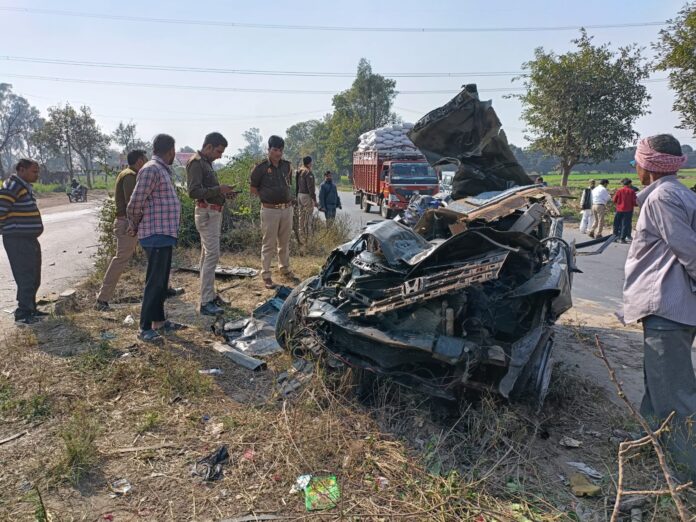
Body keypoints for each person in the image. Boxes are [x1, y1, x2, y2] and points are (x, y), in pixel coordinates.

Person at [622, 134, 696, 481]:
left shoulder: (662, 198)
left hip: (667, 307)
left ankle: (685, 476)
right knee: (658, 383)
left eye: (637, 160)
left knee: (676, 397)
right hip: (672, 308)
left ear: (646, 166)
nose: (635, 166)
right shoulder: (680, 193)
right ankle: (645, 447)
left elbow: (690, 252)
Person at [127, 134, 185, 343]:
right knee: (154, 282)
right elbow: (134, 203)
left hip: (164, 234)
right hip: (155, 234)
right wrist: (134, 225)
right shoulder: (151, 169)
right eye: (174, 151)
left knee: (161, 282)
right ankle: (144, 328)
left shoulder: (161, 170)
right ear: (170, 150)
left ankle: (159, 322)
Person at [186, 132, 235, 316]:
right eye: (218, 151)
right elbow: (193, 192)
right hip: (206, 213)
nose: (220, 155)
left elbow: (206, 190)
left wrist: (222, 193)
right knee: (212, 255)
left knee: (207, 255)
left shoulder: (206, 163)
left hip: (212, 212)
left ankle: (209, 295)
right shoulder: (196, 162)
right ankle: (206, 301)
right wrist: (218, 189)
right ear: (208, 147)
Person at [95, 150, 148, 310]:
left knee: (156, 254)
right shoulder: (130, 176)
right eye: (145, 160)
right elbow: (133, 204)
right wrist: (134, 224)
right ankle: (102, 299)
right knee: (121, 259)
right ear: (139, 161)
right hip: (128, 223)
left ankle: (164, 288)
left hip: (130, 222)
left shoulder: (127, 174)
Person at [0, 159, 46, 325]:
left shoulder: (23, 187)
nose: (37, 174)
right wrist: (11, 229)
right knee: (25, 276)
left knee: (34, 275)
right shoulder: (11, 187)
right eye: (34, 171)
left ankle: (31, 308)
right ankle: (23, 314)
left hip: (29, 239)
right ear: (21, 170)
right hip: (18, 240)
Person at [250, 135, 299, 289]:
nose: (278, 153)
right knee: (269, 243)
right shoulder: (260, 168)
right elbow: (253, 189)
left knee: (284, 242)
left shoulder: (287, 166)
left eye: (280, 150)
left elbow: (288, 185)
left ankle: (284, 268)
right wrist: (267, 198)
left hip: (286, 209)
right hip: (269, 210)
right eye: (275, 150)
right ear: (269, 149)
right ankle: (266, 274)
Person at [295, 156, 317, 239]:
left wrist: (296, 195)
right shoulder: (308, 172)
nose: (312, 163)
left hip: (299, 195)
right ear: (309, 163)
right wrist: (314, 200)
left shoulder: (299, 171)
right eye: (311, 162)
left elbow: (297, 185)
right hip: (306, 196)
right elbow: (310, 187)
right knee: (308, 216)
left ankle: (301, 235)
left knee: (301, 216)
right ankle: (309, 236)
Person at [612, 179, 638, 243]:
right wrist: (636, 205)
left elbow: (614, 200)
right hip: (628, 210)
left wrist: (618, 204)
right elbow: (634, 202)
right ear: (629, 184)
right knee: (625, 224)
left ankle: (614, 237)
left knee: (617, 223)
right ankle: (622, 238)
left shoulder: (619, 190)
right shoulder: (632, 191)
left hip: (619, 209)